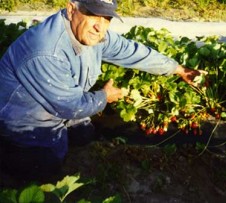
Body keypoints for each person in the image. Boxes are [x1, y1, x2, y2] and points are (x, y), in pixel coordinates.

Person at [0, 0, 207, 180]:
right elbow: (72, 107)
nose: (100, 27)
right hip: (21, 118)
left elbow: (130, 51)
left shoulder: (91, 33)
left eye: (107, 18)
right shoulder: (46, 51)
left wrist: (178, 69)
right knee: (45, 165)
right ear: (72, 9)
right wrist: (105, 96)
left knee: (84, 135)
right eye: (92, 14)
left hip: (60, 102)